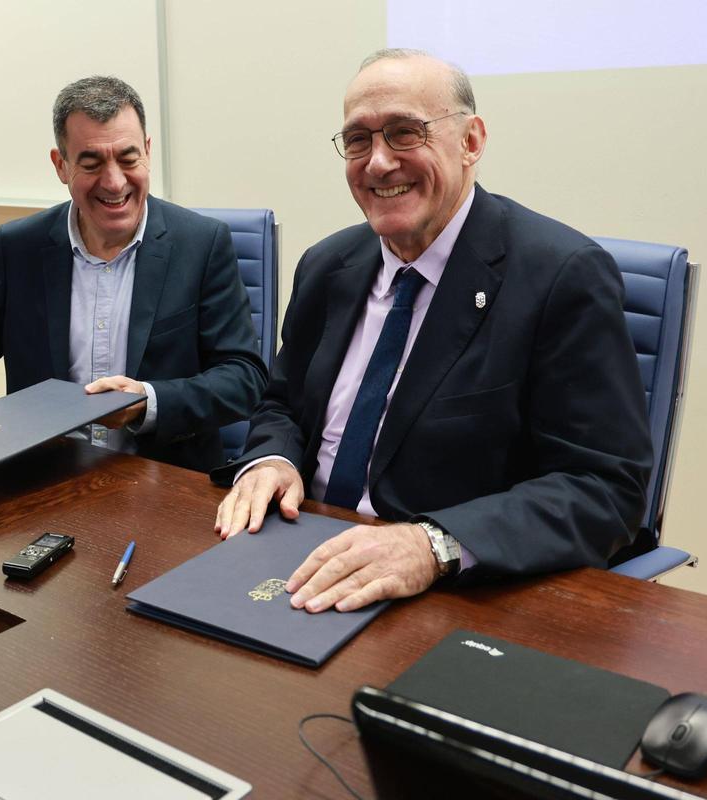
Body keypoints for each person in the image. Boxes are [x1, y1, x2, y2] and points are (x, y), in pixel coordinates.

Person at [212, 50, 652, 612]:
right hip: (295, 557)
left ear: (471, 141)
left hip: (449, 593)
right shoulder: (327, 265)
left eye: (403, 133)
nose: (377, 163)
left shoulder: (561, 276)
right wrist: (271, 460)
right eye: (357, 140)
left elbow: (603, 489)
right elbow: (282, 404)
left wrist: (432, 545)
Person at [0, 76, 266, 472]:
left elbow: (243, 379)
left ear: (149, 152)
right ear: (61, 165)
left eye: (128, 158)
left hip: (161, 478)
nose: (114, 181)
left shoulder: (202, 244)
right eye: (91, 163)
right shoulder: (19, 247)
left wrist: (146, 402)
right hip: (45, 474)